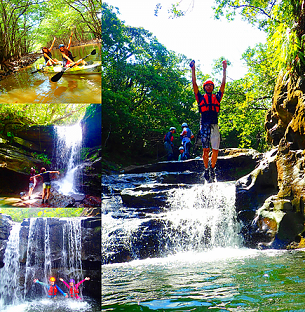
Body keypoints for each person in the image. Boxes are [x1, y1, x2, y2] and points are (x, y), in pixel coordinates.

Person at [190, 59, 227, 176]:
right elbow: (194, 84)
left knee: (215, 150)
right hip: (204, 125)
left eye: (211, 85)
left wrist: (224, 70)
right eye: (207, 85)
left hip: (214, 125)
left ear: (212, 87)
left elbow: (223, 85)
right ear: (205, 87)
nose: (209, 87)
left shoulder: (217, 97)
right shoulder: (200, 98)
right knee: (205, 150)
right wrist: (193, 69)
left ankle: (212, 168)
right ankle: (206, 170)